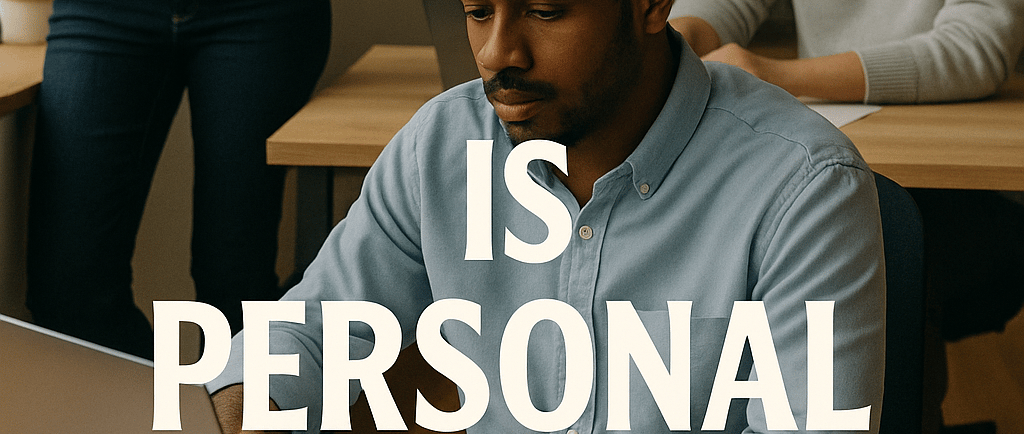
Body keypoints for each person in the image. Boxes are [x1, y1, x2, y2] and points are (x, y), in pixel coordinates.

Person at [207, 0, 885, 432]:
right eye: (477, 11)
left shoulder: (805, 188)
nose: (500, 54)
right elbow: (312, 331)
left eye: (546, 10)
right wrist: (238, 408)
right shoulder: (441, 145)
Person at [26, 0, 331, 359]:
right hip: (101, 11)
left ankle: (218, 412)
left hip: (260, 14)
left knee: (236, 288)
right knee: (68, 293)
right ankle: (169, 408)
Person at [668, 0, 1024, 103]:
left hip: (952, 163)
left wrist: (773, 76)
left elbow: (977, 46)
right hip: (827, 132)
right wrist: (673, 37)